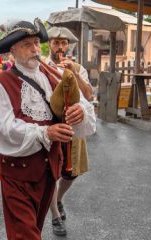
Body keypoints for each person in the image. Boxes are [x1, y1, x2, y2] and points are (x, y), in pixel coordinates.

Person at [0, 18, 96, 240]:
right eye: (27, 45)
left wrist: (80, 112)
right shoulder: (1, 83)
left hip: (48, 172)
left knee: (34, 227)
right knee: (25, 234)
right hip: (18, 174)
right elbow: (4, 127)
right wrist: (45, 133)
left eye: (37, 43)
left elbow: (82, 101)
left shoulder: (51, 74)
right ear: (13, 50)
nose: (35, 49)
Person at [45, 26, 94, 236]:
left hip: (73, 125)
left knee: (71, 172)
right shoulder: (41, 67)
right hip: (50, 126)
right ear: (49, 44)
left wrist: (74, 72)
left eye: (64, 43)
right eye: (56, 42)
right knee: (48, 175)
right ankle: (55, 215)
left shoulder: (78, 67)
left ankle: (58, 198)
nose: (60, 47)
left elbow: (89, 96)